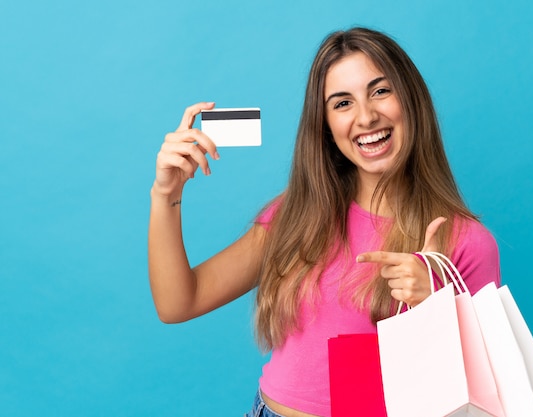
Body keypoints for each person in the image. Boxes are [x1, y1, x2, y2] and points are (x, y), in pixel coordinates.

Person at [148, 27, 501, 417]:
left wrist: (433, 305)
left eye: (381, 91)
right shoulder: (295, 216)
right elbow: (179, 303)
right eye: (342, 103)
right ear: (327, 126)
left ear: (411, 101)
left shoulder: (464, 243)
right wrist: (165, 196)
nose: (366, 117)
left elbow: (487, 393)